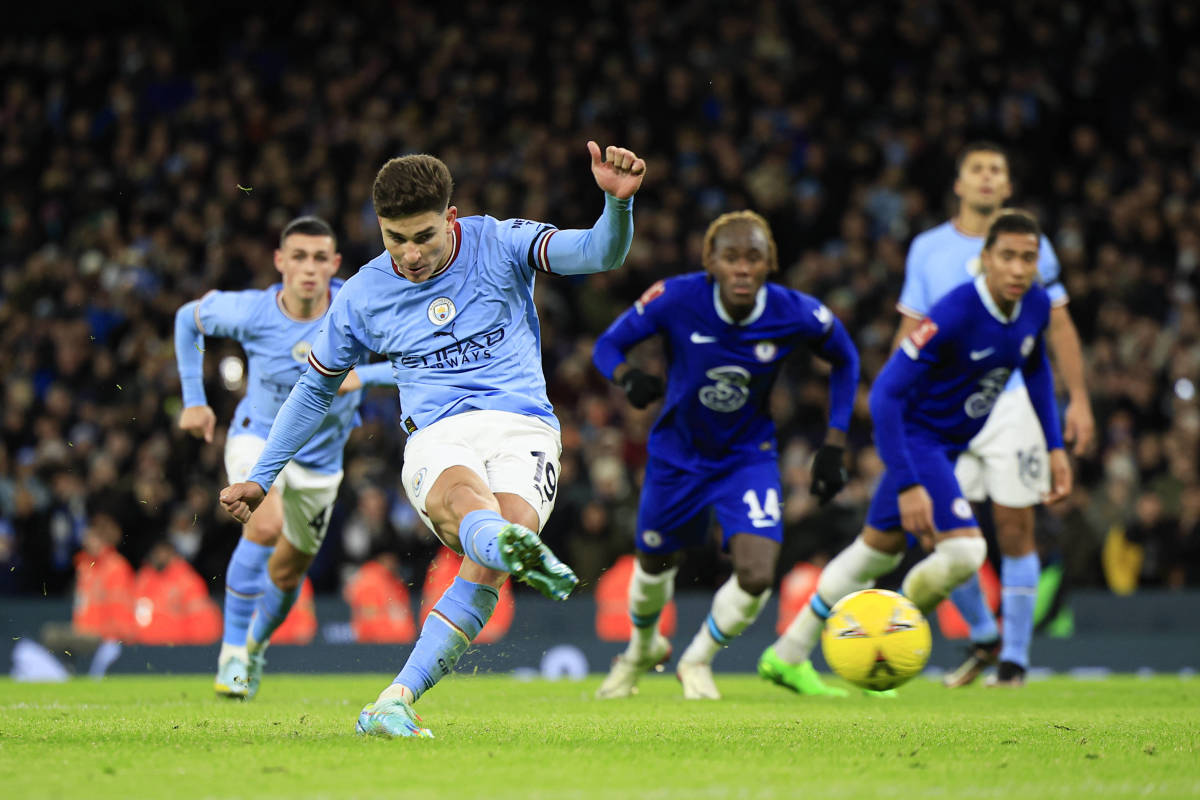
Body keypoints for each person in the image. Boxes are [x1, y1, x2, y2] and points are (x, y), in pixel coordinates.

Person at [219, 141, 646, 737]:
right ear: (379, 229)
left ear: (451, 218)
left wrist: (616, 205)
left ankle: (393, 701)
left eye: (423, 236)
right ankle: (507, 543)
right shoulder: (364, 295)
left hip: (524, 425)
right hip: (438, 435)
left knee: (495, 551)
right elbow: (315, 389)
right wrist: (262, 477)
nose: (410, 253)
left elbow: (599, 252)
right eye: (395, 238)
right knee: (475, 509)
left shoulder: (499, 242)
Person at [760, 210, 1072, 695]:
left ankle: (786, 654)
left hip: (952, 444)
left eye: (1028, 258)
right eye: (1007, 256)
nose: (1017, 268)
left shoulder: (1033, 305)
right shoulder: (954, 313)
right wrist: (907, 482)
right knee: (967, 549)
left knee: (872, 554)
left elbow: (1034, 369)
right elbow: (885, 394)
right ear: (985, 259)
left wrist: (1054, 446)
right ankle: (894, 621)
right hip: (922, 440)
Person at [591, 210, 860, 700]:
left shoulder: (795, 312)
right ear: (710, 263)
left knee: (758, 573)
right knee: (653, 564)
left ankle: (696, 660)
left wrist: (835, 443)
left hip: (746, 456)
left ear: (769, 264)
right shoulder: (675, 298)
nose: (741, 268)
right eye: (730, 258)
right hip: (677, 453)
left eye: (753, 258)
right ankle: (640, 648)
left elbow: (845, 356)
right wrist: (627, 377)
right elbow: (608, 345)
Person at [892, 142, 1094, 687]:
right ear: (958, 184)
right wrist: (892, 405)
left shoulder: (1032, 248)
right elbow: (910, 332)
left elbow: (1057, 326)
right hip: (942, 407)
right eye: (977, 170)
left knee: (1014, 526)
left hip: (1010, 404)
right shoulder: (927, 249)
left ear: (1007, 186)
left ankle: (1016, 660)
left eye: (997, 171)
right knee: (943, 531)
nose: (987, 178)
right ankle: (983, 635)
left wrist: (1078, 398)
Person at [174, 215, 394, 699]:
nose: (309, 268)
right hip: (257, 436)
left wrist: (369, 376)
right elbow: (188, 317)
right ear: (279, 262)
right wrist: (194, 399)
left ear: (336, 264)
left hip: (321, 461)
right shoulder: (253, 312)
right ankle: (231, 652)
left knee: (290, 571)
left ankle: (253, 648)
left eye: (320, 258)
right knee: (265, 524)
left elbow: (418, 357)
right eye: (298, 257)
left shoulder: (360, 307)